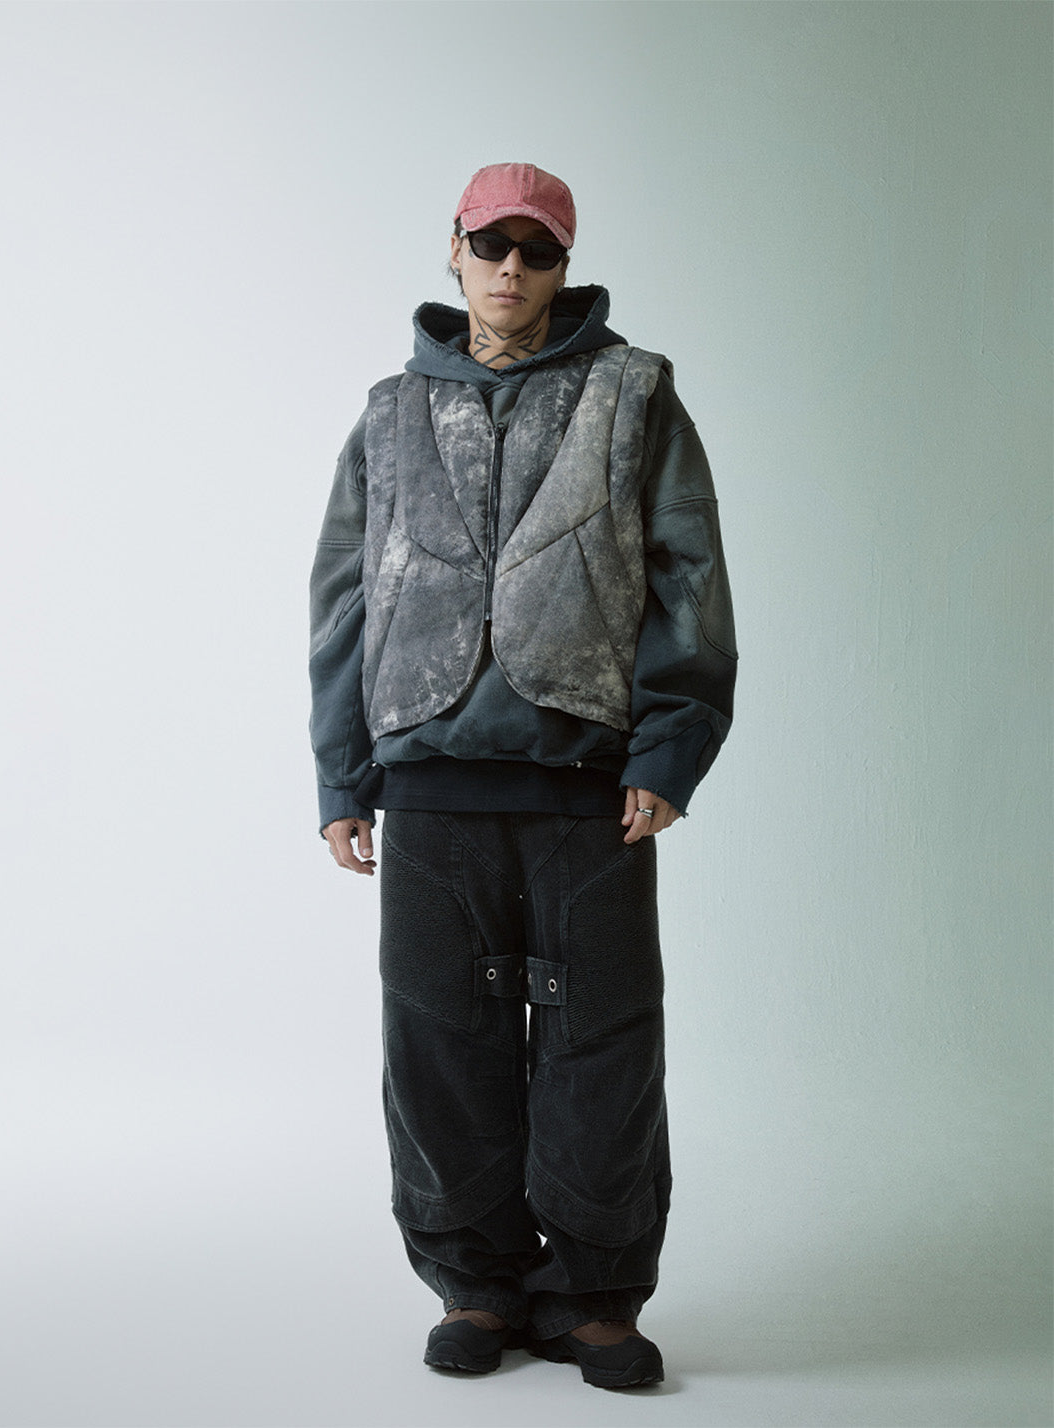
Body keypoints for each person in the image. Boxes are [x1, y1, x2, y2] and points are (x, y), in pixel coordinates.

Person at [309, 162, 736, 1390]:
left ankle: (596, 1297)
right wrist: (341, 777)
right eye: (490, 244)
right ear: (452, 249)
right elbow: (342, 599)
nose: (510, 268)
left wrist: (669, 750)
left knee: (603, 1047)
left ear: (564, 265)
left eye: (536, 250)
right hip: (429, 783)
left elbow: (691, 576)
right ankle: (480, 1287)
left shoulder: (633, 392)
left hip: (588, 788)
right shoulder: (390, 412)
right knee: (441, 1049)